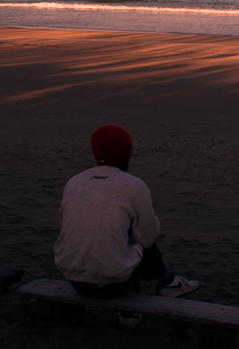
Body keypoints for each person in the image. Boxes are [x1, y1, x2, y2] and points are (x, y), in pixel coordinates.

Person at [54, 124, 199, 329]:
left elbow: (66, 227)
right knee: (133, 240)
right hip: (115, 284)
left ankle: (162, 286)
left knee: (118, 237)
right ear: (128, 150)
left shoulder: (74, 182)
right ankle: (149, 296)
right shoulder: (133, 185)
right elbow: (148, 237)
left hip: (75, 280)